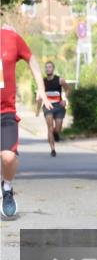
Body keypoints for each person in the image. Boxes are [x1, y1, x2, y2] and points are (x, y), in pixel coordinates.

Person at [1, 24, 52, 217]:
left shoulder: (10, 37)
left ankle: (7, 187)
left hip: (5, 111)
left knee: (8, 157)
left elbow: (32, 59)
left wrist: (41, 89)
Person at [39, 61, 69, 157]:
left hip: (59, 106)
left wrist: (65, 100)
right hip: (48, 106)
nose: (48, 69)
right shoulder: (42, 82)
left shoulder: (60, 80)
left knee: (58, 128)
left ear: (53, 69)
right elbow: (40, 95)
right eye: (46, 67)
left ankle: (56, 133)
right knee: (50, 128)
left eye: (50, 67)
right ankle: (52, 149)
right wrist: (37, 108)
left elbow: (68, 89)